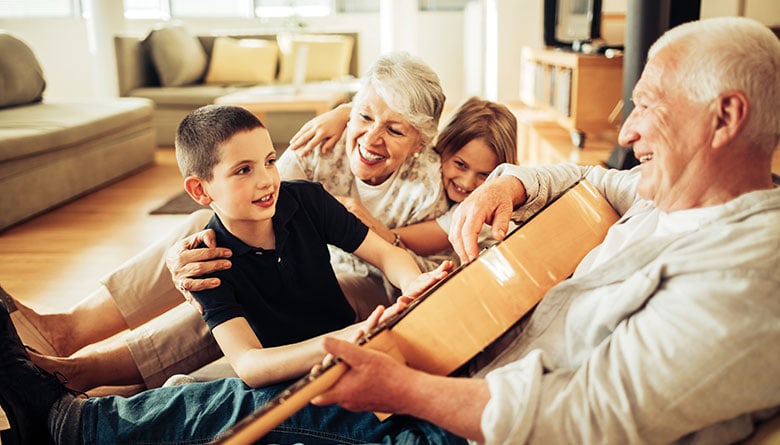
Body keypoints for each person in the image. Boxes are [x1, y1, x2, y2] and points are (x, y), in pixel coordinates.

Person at [1, 16, 776, 445]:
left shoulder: (745, 275)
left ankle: (71, 414)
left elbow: (579, 420)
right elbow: (598, 178)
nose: (626, 128)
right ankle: (72, 343)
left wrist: (403, 380)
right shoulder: (672, 188)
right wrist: (512, 180)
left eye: (647, 105)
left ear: (725, 119)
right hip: (463, 326)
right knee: (233, 245)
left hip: (461, 371)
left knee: (256, 374)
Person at [10, 50, 451, 394]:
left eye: (395, 131)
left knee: (243, 294)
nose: (373, 139)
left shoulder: (431, 182)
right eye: (365, 117)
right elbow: (243, 200)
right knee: (206, 235)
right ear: (352, 109)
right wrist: (178, 260)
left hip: (363, 281)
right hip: (291, 257)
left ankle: (88, 372)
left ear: (419, 143)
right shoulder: (322, 144)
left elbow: (404, 254)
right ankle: (68, 330)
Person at [168, 103, 451, 388]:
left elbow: (386, 253)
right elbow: (249, 364)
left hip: (344, 349)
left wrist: (414, 282)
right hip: (284, 375)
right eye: (243, 170)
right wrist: (351, 336)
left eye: (269, 161)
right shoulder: (204, 264)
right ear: (200, 190)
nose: (266, 180)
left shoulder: (307, 200)